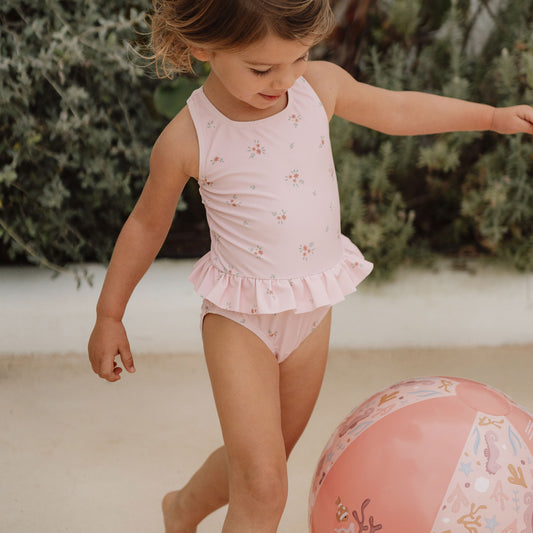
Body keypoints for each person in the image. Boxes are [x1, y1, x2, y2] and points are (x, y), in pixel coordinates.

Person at [88, 1, 533, 532]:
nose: (283, 80)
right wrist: (110, 314)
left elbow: (395, 110)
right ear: (202, 47)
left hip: (311, 317)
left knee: (263, 464)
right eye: (261, 69)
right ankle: (187, 510)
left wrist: (487, 117)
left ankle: (181, 508)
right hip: (240, 321)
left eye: (298, 57)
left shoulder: (317, 88)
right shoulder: (188, 138)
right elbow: (145, 225)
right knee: (266, 488)